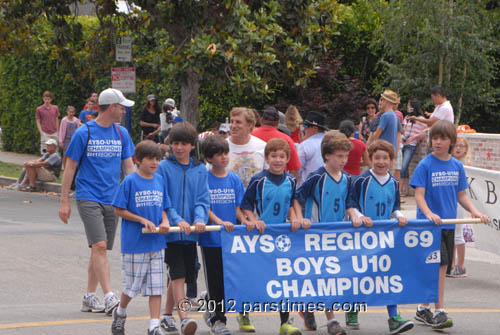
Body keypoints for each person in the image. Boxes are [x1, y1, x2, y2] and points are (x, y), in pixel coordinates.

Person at [58, 88, 136, 316]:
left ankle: (89, 297)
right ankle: (110, 296)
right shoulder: (85, 133)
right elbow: (70, 166)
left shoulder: (122, 134)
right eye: (121, 107)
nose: (123, 111)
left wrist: (135, 197)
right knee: (100, 245)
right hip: (88, 196)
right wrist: (64, 201)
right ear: (112, 108)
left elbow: (129, 167)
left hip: (113, 198)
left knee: (98, 248)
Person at [410, 121, 489, 330]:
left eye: (443, 138)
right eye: (434, 138)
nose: (437, 142)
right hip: (429, 227)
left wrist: (475, 211)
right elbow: (418, 195)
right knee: (439, 266)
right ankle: (440, 310)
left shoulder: (456, 166)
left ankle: (422, 308)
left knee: (439, 267)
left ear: (451, 141)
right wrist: (428, 214)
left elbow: (461, 195)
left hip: (448, 225)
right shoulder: (425, 165)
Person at [241, 138, 307, 335]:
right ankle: (244, 312)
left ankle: (285, 322)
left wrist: (295, 218)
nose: (277, 160)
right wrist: (254, 220)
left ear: (287, 159)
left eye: (282, 156)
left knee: (283, 279)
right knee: (254, 277)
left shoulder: (291, 180)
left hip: (281, 237)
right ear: (267, 158)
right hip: (261, 236)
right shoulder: (258, 180)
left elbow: (290, 203)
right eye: (273, 156)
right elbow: (246, 205)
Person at [348, 139, 414, 335]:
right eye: (377, 157)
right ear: (371, 158)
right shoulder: (361, 180)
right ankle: (352, 310)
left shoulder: (393, 182)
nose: (381, 161)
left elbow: (394, 206)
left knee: (387, 275)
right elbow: (351, 203)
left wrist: (399, 215)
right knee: (361, 274)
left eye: (385, 158)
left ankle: (393, 317)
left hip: (385, 237)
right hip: (364, 236)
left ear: (392, 160)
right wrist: (360, 216)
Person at [293, 131, 353, 335]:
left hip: (336, 236)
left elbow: (349, 204)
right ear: (327, 155)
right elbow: (297, 198)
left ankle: (319, 313)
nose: (343, 160)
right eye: (339, 156)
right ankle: (324, 316)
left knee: (330, 278)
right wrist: (300, 217)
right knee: (319, 276)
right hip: (316, 235)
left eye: (346, 156)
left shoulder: (347, 179)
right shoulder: (317, 177)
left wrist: (355, 214)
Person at [111, 140, 171, 335]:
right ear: (138, 160)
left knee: (156, 286)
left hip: (156, 243)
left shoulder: (159, 180)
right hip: (135, 243)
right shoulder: (129, 181)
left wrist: (164, 222)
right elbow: (119, 208)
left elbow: (164, 208)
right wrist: (141, 219)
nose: (154, 163)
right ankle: (120, 312)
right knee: (131, 287)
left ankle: (154, 325)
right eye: (150, 159)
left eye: (157, 159)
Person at [157, 122, 209, 335]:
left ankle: (167, 315)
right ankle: (184, 318)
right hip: (170, 233)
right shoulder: (163, 167)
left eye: (183, 144)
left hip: (190, 234)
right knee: (177, 273)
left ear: (191, 145)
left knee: (183, 274)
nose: (178, 148)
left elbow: (202, 199)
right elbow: (163, 198)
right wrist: (176, 220)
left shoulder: (200, 169)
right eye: (175, 143)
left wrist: (199, 219)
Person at [200, 135, 246, 335]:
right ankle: (218, 319)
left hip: (231, 240)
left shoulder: (234, 178)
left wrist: (245, 221)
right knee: (215, 279)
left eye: (225, 153)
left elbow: (238, 208)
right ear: (209, 158)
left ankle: (210, 303)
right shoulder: (204, 179)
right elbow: (205, 207)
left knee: (229, 280)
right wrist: (219, 223)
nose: (224, 158)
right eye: (218, 155)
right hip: (211, 239)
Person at [251, 107, 301, 178]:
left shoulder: (250, 136)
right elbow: (294, 169)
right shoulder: (287, 139)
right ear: (278, 123)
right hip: (279, 183)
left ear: (261, 120)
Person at [227, 107, 267, 189]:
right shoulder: (221, 147)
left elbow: (270, 176)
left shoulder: (263, 147)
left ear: (250, 125)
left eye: (238, 122)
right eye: (231, 121)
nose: (233, 126)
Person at [448, 136, 471, 278]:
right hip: (449, 200)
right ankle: (450, 265)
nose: (458, 148)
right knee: (449, 233)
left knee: (457, 233)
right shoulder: (448, 162)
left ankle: (460, 266)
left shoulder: (466, 165)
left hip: (459, 201)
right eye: (456, 145)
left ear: (466, 149)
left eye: (461, 146)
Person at [400, 99, 427, 196]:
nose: (407, 107)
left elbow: (425, 130)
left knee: (404, 167)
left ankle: (402, 189)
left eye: (408, 105)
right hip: (403, 144)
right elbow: (404, 130)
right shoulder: (407, 117)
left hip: (411, 146)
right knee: (404, 168)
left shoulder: (420, 119)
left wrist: (414, 138)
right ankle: (404, 190)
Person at [297, 111, 328, 185]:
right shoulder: (331, 142)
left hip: (307, 189)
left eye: (306, 126)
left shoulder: (305, 146)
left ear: (314, 128)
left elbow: (297, 170)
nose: (304, 129)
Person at [59, 105, 80, 170]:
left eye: (72, 112)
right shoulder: (64, 120)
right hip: (66, 139)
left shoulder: (76, 120)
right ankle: (64, 167)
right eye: (70, 112)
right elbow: (61, 130)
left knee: (73, 154)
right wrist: (61, 141)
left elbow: (78, 130)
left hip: (73, 139)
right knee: (65, 154)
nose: (71, 113)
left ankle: (71, 167)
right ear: (67, 112)